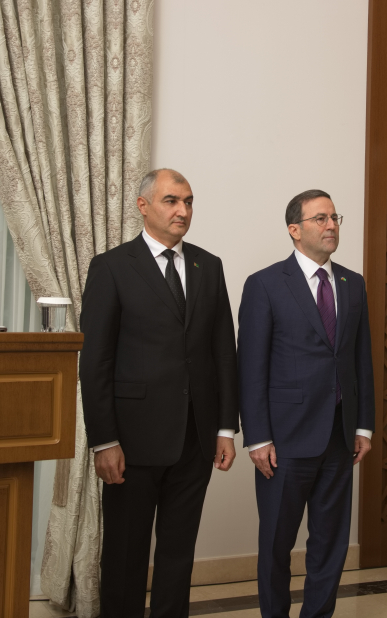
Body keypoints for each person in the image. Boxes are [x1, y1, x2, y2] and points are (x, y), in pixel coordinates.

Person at [79, 168, 239, 618]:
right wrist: (104, 440)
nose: (183, 211)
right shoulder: (110, 267)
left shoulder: (209, 265)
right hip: (131, 440)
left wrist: (226, 428)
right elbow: (95, 363)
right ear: (143, 205)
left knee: (177, 553)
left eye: (188, 201)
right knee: (126, 554)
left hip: (195, 437)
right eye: (171, 201)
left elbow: (223, 352)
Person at [238, 189, 376, 618]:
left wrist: (363, 426)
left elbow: (360, 360)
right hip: (284, 439)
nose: (331, 225)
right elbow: (251, 366)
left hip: (339, 436)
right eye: (320, 218)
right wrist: (257, 436)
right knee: (276, 544)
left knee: (330, 544)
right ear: (295, 230)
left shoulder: (353, 283)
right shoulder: (264, 284)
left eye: (335, 217)